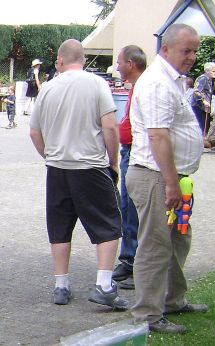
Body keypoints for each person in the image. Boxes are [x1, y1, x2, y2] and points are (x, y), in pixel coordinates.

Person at [29, 39, 128, 310]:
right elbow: (109, 127)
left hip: (58, 169)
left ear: (60, 60)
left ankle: (61, 285)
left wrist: (49, 155)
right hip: (90, 167)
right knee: (108, 224)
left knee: (59, 226)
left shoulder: (47, 88)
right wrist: (113, 162)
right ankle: (105, 286)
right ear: (82, 60)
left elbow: (34, 132)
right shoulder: (96, 84)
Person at [126, 23, 207, 334]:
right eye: (186, 50)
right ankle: (147, 314)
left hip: (172, 177)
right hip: (156, 177)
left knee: (177, 240)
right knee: (155, 246)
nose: (192, 56)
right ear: (166, 49)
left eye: (195, 50)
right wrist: (172, 184)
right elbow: (158, 136)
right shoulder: (159, 82)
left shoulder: (171, 80)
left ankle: (172, 300)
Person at [111, 45, 147, 289]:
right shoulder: (137, 87)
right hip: (130, 151)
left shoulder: (143, 86)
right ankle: (129, 260)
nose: (117, 67)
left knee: (131, 206)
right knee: (128, 206)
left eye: (120, 63)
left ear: (131, 64)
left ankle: (133, 262)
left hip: (136, 154)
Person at [191, 62, 215, 136]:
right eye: (213, 71)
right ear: (207, 71)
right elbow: (196, 91)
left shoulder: (210, 80)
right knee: (201, 125)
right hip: (198, 106)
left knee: (206, 125)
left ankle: (203, 140)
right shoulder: (203, 78)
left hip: (205, 107)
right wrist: (204, 101)